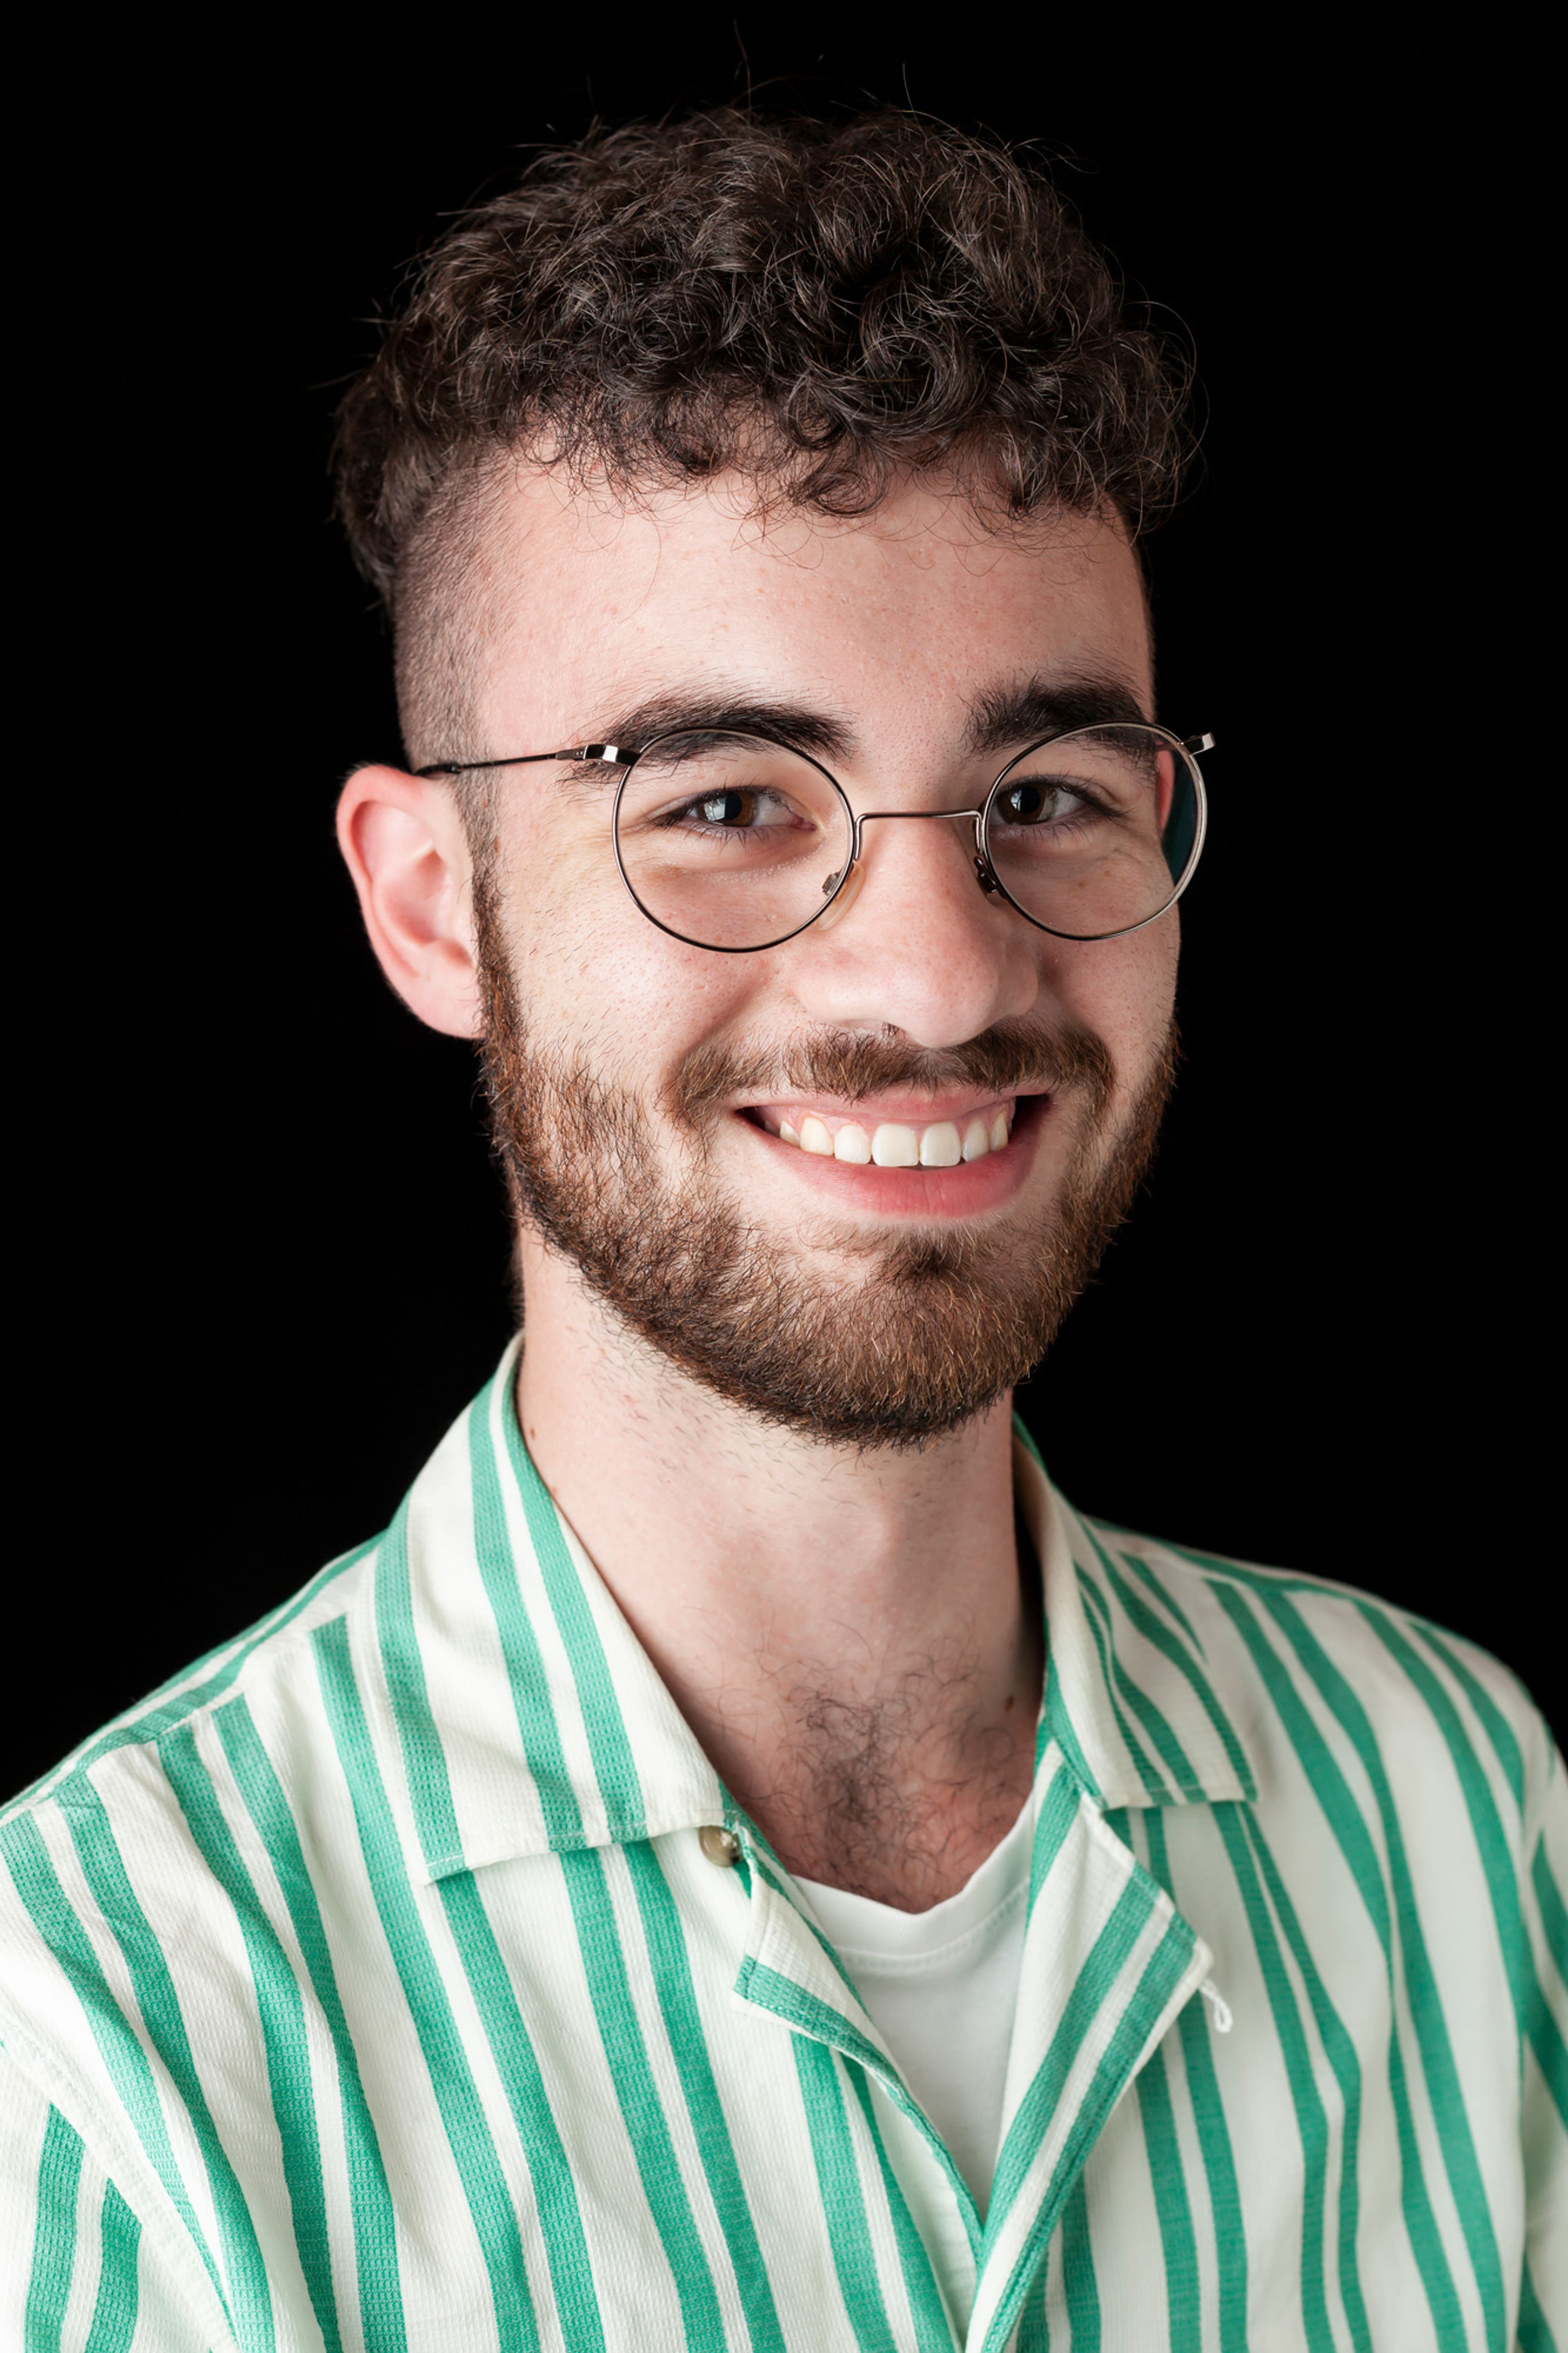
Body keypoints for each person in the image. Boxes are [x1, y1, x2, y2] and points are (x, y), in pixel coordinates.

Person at [2, 109, 1563, 2353]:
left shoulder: (1458, 1810)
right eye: (730, 804)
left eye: (1046, 795)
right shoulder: (91, 2027)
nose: (937, 978)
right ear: (433, 904)